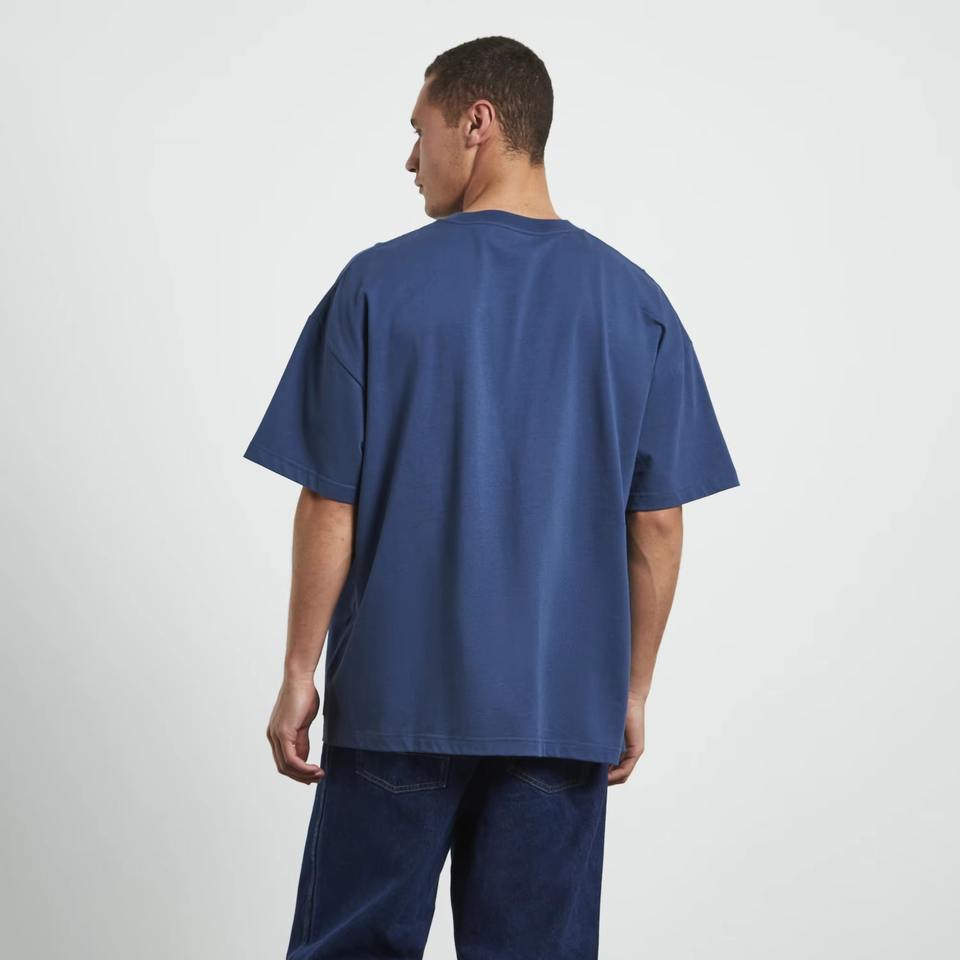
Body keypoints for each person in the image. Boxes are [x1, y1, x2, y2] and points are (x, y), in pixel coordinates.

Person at [243, 35, 739, 960]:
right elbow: (659, 523)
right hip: (560, 710)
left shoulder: (375, 285)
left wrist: (300, 672)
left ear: (477, 123)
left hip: (396, 701)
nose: (410, 158)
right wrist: (631, 690)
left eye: (419, 129)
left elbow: (330, 502)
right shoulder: (635, 303)